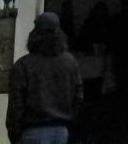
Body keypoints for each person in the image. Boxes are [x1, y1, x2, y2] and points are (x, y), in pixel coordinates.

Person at [9, 12, 80, 144]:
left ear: (34, 35)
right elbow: (78, 98)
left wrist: (15, 135)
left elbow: (16, 107)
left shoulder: (23, 65)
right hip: (62, 132)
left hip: (31, 133)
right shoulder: (71, 63)